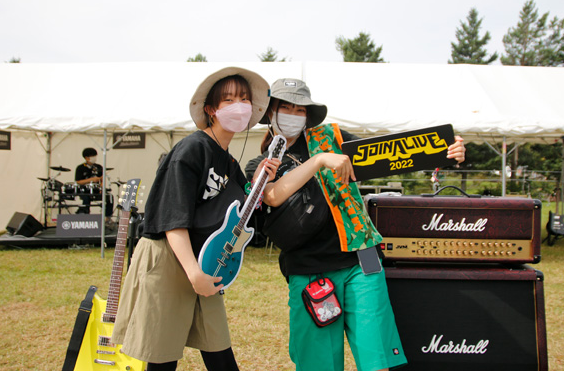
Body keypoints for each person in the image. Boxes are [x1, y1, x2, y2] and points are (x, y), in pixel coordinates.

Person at [245, 79, 466, 371]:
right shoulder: (261, 165)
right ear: (270, 112)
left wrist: (445, 150)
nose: (293, 115)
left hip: (362, 260)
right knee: (318, 365)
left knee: (377, 359)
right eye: (285, 108)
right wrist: (320, 160)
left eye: (300, 110)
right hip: (308, 268)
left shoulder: (332, 138)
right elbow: (272, 196)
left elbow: (387, 154)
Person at [111, 67, 278, 371]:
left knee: (219, 351)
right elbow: (172, 217)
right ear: (211, 109)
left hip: (203, 258)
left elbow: (240, 213)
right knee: (162, 358)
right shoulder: (191, 149)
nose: (239, 106)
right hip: (169, 255)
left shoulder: (229, 161)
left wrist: (257, 182)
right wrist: (193, 272)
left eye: (244, 99)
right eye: (229, 100)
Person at [75, 147, 112, 216]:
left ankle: (107, 217)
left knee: (109, 197)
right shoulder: (80, 168)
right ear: (86, 158)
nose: (94, 158)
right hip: (84, 190)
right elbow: (78, 182)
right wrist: (90, 180)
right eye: (92, 156)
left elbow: (102, 180)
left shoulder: (98, 167)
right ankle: (85, 215)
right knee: (86, 198)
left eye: (95, 156)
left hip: (96, 190)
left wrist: (101, 187)